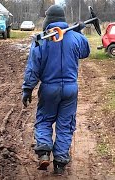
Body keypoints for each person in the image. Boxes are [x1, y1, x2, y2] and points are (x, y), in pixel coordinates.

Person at [22, 5, 90, 175]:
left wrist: (28, 88)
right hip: (70, 89)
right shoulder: (75, 37)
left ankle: (44, 153)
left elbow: (33, 67)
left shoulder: (40, 39)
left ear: (48, 19)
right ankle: (60, 162)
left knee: (44, 120)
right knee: (65, 126)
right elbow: (85, 51)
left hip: (49, 89)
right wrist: (79, 33)